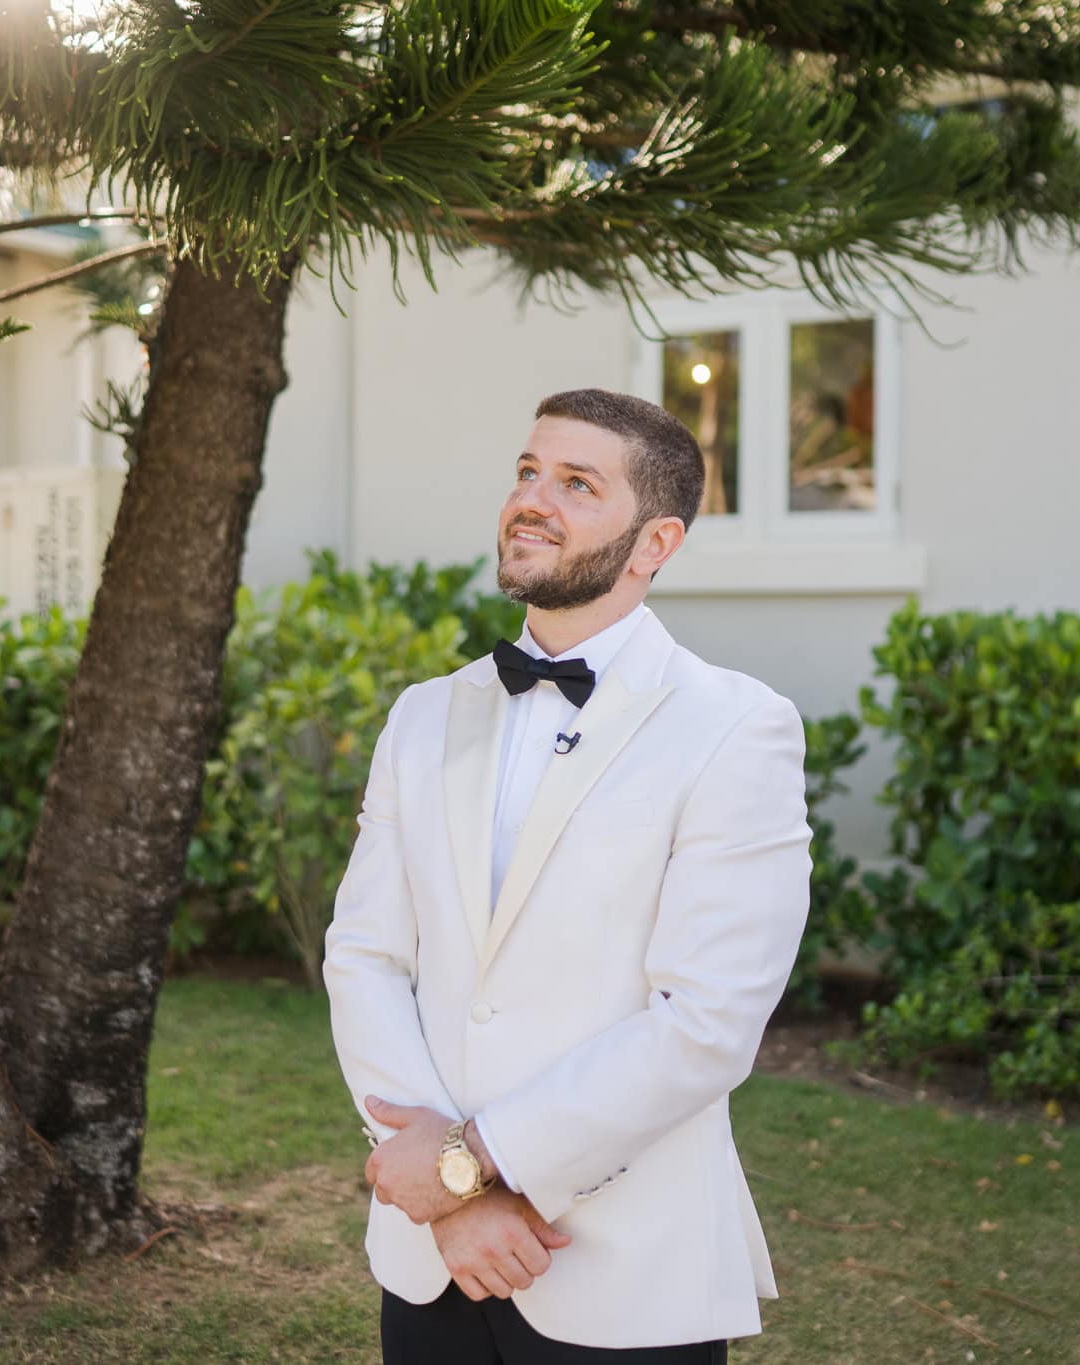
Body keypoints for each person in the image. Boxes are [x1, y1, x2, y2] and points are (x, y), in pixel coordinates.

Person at [322, 387, 814, 1362]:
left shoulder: (734, 729)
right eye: (525, 472)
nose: (531, 499)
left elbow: (705, 1023)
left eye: (577, 483)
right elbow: (365, 958)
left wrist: (468, 1166)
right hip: (432, 1263)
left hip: (621, 1272)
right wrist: (446, 1201)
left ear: (652, 545)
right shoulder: (424, 715)